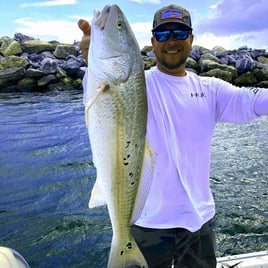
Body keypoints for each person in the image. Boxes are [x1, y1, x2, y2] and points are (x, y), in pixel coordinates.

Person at [78, 4, 268, 268]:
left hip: (199, 224)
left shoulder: (210, 90)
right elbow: (99, 99)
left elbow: (254, 102)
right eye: (164, 34)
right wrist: (91, 57)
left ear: (191, 39)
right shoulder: (135, 85)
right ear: (153, 41)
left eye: (179, 32)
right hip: (146, 224)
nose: (172, 41)